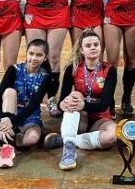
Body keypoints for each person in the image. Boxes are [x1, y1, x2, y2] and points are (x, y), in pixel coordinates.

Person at [0, 39, 52, 168]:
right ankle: (7, 149)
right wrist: (1, 123)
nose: (34, 58)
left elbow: (33, 105)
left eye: (39, 55)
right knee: (9, 92)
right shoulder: (14, 69)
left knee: (32, 139)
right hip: (10, 112)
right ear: (26, 53)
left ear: (45, 58)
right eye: (31, 53)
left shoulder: (45, 77)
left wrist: (13, 122)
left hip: (28, 116)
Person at [48, 28, 118, 170]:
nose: (93, 48)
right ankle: (68, 152)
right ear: (81, 50)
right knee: (75, 95)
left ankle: (68, 140)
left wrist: (82, 105)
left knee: (113, 136)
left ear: (100, 47)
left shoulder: (109, 70)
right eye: (88, 46)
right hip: (80, 119)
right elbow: (62, 103)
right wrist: (64, 103)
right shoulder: (72, 69)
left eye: (96, 45)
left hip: (100, 118)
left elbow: (104, 105)